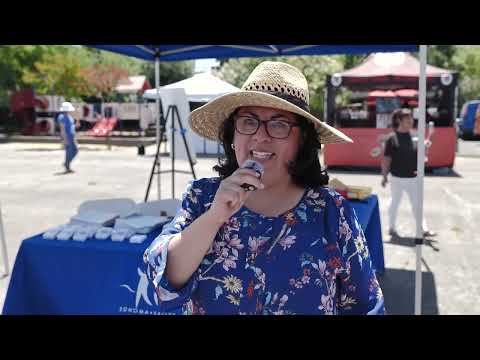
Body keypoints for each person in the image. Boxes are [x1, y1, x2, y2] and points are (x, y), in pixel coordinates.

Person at [143, 61, 386, 315]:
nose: (260, 135)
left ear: (302, 141)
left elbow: (367, 305)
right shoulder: (202, 197)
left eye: (279, 124)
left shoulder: (331, 211)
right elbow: (164, 281)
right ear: (232, 137)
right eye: (249, 121)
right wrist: (214, 217)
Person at [381, 108, 436, 238]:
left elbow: (421, 156)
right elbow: (387, 159)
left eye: (411, 119)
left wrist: (425, 147)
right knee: (395, 202)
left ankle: (423, 229)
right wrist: (384, 176)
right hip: (397, 178)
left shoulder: (415, 136)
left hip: (413, 177)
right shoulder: (392, 138)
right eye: (407, 120)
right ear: (399, 121)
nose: (410, 122)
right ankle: (391, 227)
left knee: (417, 204)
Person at [57, 102, 78, 173]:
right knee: (69, 152)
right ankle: (67, 166)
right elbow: (62, 128)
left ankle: (67, 163)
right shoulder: (61, 117)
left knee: (75, 150)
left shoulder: (69, 117)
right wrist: (64, 139)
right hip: (67, 137)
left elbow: (72, 127)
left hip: (72, 136)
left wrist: (76, 125)